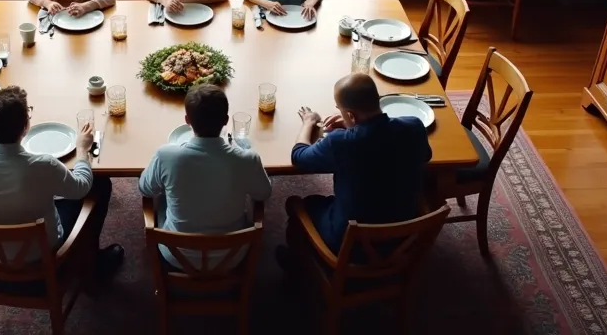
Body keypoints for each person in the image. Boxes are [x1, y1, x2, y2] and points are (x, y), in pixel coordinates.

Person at [0, 85, 124, 273]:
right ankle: (92, 264)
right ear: (26, 127)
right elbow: (81, 187)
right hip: (42, 256)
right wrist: (82, 151)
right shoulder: (43, 165)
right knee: (100, 184)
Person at [281, 73, 432, 256]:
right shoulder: (414, 127)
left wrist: (308, 122)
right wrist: (354, 126)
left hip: (351, 243)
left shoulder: (340, 143)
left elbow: (298, 156)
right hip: (403, 235)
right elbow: (425, 155)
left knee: (298, 204)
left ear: (351, 115)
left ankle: (295, 263)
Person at [139, 85, 272, 267]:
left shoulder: (166, 156)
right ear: (225, 121)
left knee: (162, 198)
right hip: (232, 256)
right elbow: (263, 193)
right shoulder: (248, 159)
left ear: (187, 120)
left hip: (177, 255)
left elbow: (145, 189)